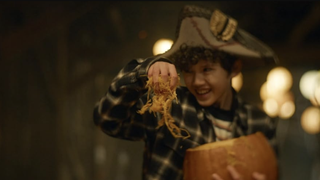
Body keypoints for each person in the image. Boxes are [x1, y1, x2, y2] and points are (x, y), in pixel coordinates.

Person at [93, 4, 279, 180]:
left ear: (234, 68)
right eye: (188, 71)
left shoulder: (260, 123)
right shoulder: (169, 108)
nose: (196, 81)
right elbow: (107, 119)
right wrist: (144, 71)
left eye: (207, 70)